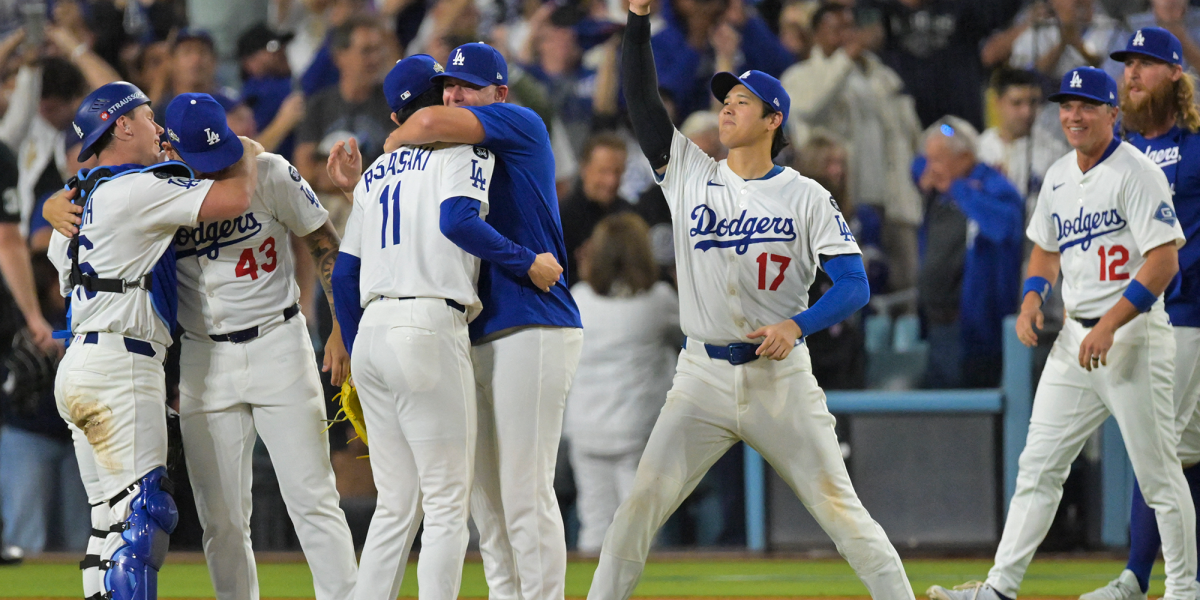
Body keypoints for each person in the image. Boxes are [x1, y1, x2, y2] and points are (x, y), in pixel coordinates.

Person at [587, 1, 913, 598]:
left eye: (741, 101)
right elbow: (642, 100)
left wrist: (799, 324)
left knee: (842, 512)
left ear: (773, 120)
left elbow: (854, 284)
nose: (727, 108)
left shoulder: (806, 195)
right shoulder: (689, 172)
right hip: (701, 376)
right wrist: (636, 21)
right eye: (724, 100)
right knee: (637, 509)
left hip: (778, 378)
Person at [926, 66, 1197, 600]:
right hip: (1075, 338)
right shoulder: (1056, 175)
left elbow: (1164, 262)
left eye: (1086, 105)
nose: (1074, 115)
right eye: (1067, 106)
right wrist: (1031, 297)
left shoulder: (1137, 171)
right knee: (1039, 465)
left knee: (1159, 475)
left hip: (1134, 338)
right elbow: (1045, 250)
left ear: (1112, 114)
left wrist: (1112, 324)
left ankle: (1185, 590)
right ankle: (999, 588)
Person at [380, 41, 583, 600]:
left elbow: (424, 121)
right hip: (471, 331)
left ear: (499, 93)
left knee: (525, 493)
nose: (454, 94)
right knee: (487, 505)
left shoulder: (520, 123)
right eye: (449, 84)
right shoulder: (448, 158)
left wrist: (396, 138)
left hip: (532, 319)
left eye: (468, 86)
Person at [43, 81, 257, 600]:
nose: (158, 128)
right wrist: (248, 151)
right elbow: (235, 197)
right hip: (121, 365)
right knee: (140, 519)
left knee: (107, 525)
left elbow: (62, 260)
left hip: (80, 366)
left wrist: (52, 203)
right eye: (147, 117)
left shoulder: (77, 200)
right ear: (121, 125)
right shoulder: (138, 188)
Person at [162, 94, 356, 600]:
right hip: (204, 357)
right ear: (170, 148)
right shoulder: (156, 190)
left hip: (279, 342)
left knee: (314, 498)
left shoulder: (269, 171)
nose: (213, 165)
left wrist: (341, 327)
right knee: (221, 518)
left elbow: (324, 242)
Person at [327, 53, 496, 600]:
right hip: (427, 324)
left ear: (396, 117)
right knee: (446, 503)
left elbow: (346, 272)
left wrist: (357, 351)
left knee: (397, 504)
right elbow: (460, 221)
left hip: (374, 329)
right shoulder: (461, 152)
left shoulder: (375, 174)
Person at [1078, 27, 1200, 600]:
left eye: (1146, 63)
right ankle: (1163, 578)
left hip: (1186, 311)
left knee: (1160, 450)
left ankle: (1138, 578)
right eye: (1127, 64)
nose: (1132, 73)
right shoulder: (1118, 152)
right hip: (1135, 313)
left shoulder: (1196, 144)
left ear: (1175, 73)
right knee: (1180, 451)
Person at [781, 2, 923, 304]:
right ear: (816, 35)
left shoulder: (881, 76)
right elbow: (808, 110)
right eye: (836, 29)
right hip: (840, 201)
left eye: (850, 27)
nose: (847, 36)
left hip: (891, 199)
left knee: (905, 289)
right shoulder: (800, 76)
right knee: (844, 289)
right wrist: (845, 60)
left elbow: (908, 132)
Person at [565, 212, 680, 553]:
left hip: (586, 428)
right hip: (639, 429)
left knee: (594, 522)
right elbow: (689, 338)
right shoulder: (659, 300)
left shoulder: (578, 298)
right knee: (639, 528)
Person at [912, 116, 1025, 389]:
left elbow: (1003, 227)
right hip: (937, 325)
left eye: (937, 160)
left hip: (975, 329)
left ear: (964, 158)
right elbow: (915, 167)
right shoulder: (940, 185)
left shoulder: (993, 185)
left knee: (969, 405)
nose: (930, 168)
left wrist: (959, 190)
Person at [293, 16, 391, 187]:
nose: (375, 59)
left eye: (379, 50)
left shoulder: (393, 103)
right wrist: (357, 174)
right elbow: (304, 171)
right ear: (340, 56)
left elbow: (396, 169)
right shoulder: (319, 104)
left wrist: (336, 174)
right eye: (367, 51)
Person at [560, 133, 633, 286]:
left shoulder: (630, 215)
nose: (611, 181)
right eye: (603, 171)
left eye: (617, 172)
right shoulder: (561, 218)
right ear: (584, 168)